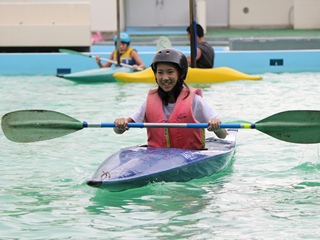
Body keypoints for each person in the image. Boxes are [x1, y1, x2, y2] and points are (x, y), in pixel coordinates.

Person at [113, 48, 227, 150]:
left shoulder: (195, 101)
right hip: (157, 158)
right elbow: (119, 131)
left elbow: (223, 135)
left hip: (190, 157)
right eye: (160, 73)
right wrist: (120, 124)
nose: (165, 78)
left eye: (170, 72)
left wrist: (216, 127)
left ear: (181, 74)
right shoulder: (149, 102)